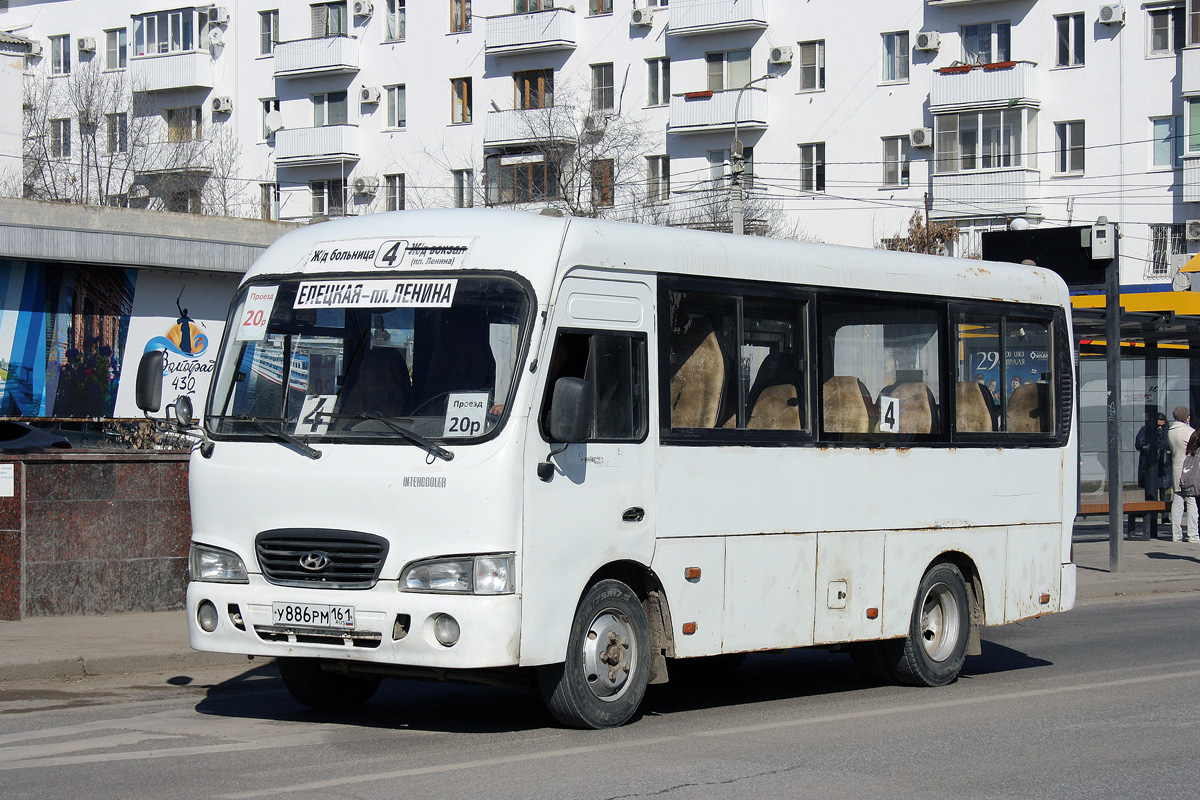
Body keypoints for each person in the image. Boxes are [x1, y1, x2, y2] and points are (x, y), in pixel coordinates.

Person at [1167, 406, 1198, 542]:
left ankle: (1176, 534)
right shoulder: (1190, 432)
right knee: (1192, 501)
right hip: (1189, 468)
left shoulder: (1171, 431)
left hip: (1176, 467)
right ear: (1187, 417)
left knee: (1178, 501)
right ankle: (1193, 534)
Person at [1135, 410, 1171, 502]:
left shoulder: (1168, 432)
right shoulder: (1145, 430)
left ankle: (1165, 515)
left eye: (1162, 426)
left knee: (1165, 491)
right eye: (1158, 426)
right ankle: (1152, 515)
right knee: (1151, 491)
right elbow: (1139, 444)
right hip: (1150, 465)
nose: (1160, 428)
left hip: (1164, 466)